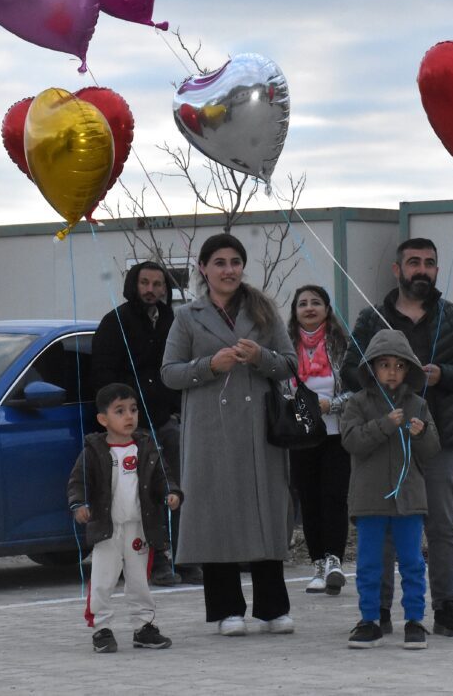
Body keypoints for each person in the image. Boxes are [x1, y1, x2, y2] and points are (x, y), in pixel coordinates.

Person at [342, 237, 453, 637]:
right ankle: (380, 612)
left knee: (441, 527)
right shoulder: (372, 318)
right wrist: (381, 386)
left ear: (437, 269)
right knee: (384, 531)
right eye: (413, 262)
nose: (422, 269)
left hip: (437, 441)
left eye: (429, 263)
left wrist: (442, 375)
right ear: (397, 269)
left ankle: (445, 606)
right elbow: (350, 369)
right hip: (382, 442)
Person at [161, 233, 297, 636]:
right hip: (209, 430)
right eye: (219, 262)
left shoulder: (264, 311)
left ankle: (272, 608)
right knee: (216, 515)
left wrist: (261, 358)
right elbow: (169, 372)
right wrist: (210, 365)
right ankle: (226, 609)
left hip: (259, 429)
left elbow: (289, 365)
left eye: (235, 261)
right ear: (203, 269)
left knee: (264, 512)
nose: (228, 270)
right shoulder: (187, 316)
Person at [90, 261, 194, 586]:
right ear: (133, 285)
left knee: (177, 486)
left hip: (165, 419)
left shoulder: (172, 321)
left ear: (166, 288)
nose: (151, 290)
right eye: (145, 283)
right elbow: (102, 377)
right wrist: (122, 415)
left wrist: (176, 410)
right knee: (142, 492)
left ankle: (185, 556)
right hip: (129, 427)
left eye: (158, 284)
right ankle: (156, 558)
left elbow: (181, 367)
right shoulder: (114, 323)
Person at [341, 329, 440, 650]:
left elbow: (432, 451)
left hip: (409, 501)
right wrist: (386, 424)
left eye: (399, 366)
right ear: (371, 368)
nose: (392, 372)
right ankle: (369, 620)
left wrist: (421, 434)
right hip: (369, 501)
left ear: (409, 369)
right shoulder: (356, 403)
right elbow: (352, 441)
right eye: (384, 365)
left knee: (412, 562)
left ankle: (414, 621)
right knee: (369, 563)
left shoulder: (419, 405)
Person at [67, 383, 181, 653]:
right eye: (120, 411)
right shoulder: (93, 451)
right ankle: (102, 628)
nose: (129, 416)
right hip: (108, 530)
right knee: (103, 579)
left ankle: (144, 626)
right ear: (103, 419)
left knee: (139, 579)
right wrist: (79, 504)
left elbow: (164, 476)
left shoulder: (146, 447)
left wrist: (171, 493)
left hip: (139, 528)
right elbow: (77, 483)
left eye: (133, 409)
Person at [287, 284, 355, 596]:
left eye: (316, 302)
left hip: (336, 432)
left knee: (334, 496)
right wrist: (305, 410)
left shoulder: (343, 345)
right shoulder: (285, 346)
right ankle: (316, 563)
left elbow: (358, 388)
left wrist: (333, 405)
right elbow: (278, 388)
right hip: (301, 435)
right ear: (295, 311)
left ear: (328, 309)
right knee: (310, 500)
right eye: (303, 303)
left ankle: (334, 561)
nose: (310, 308)